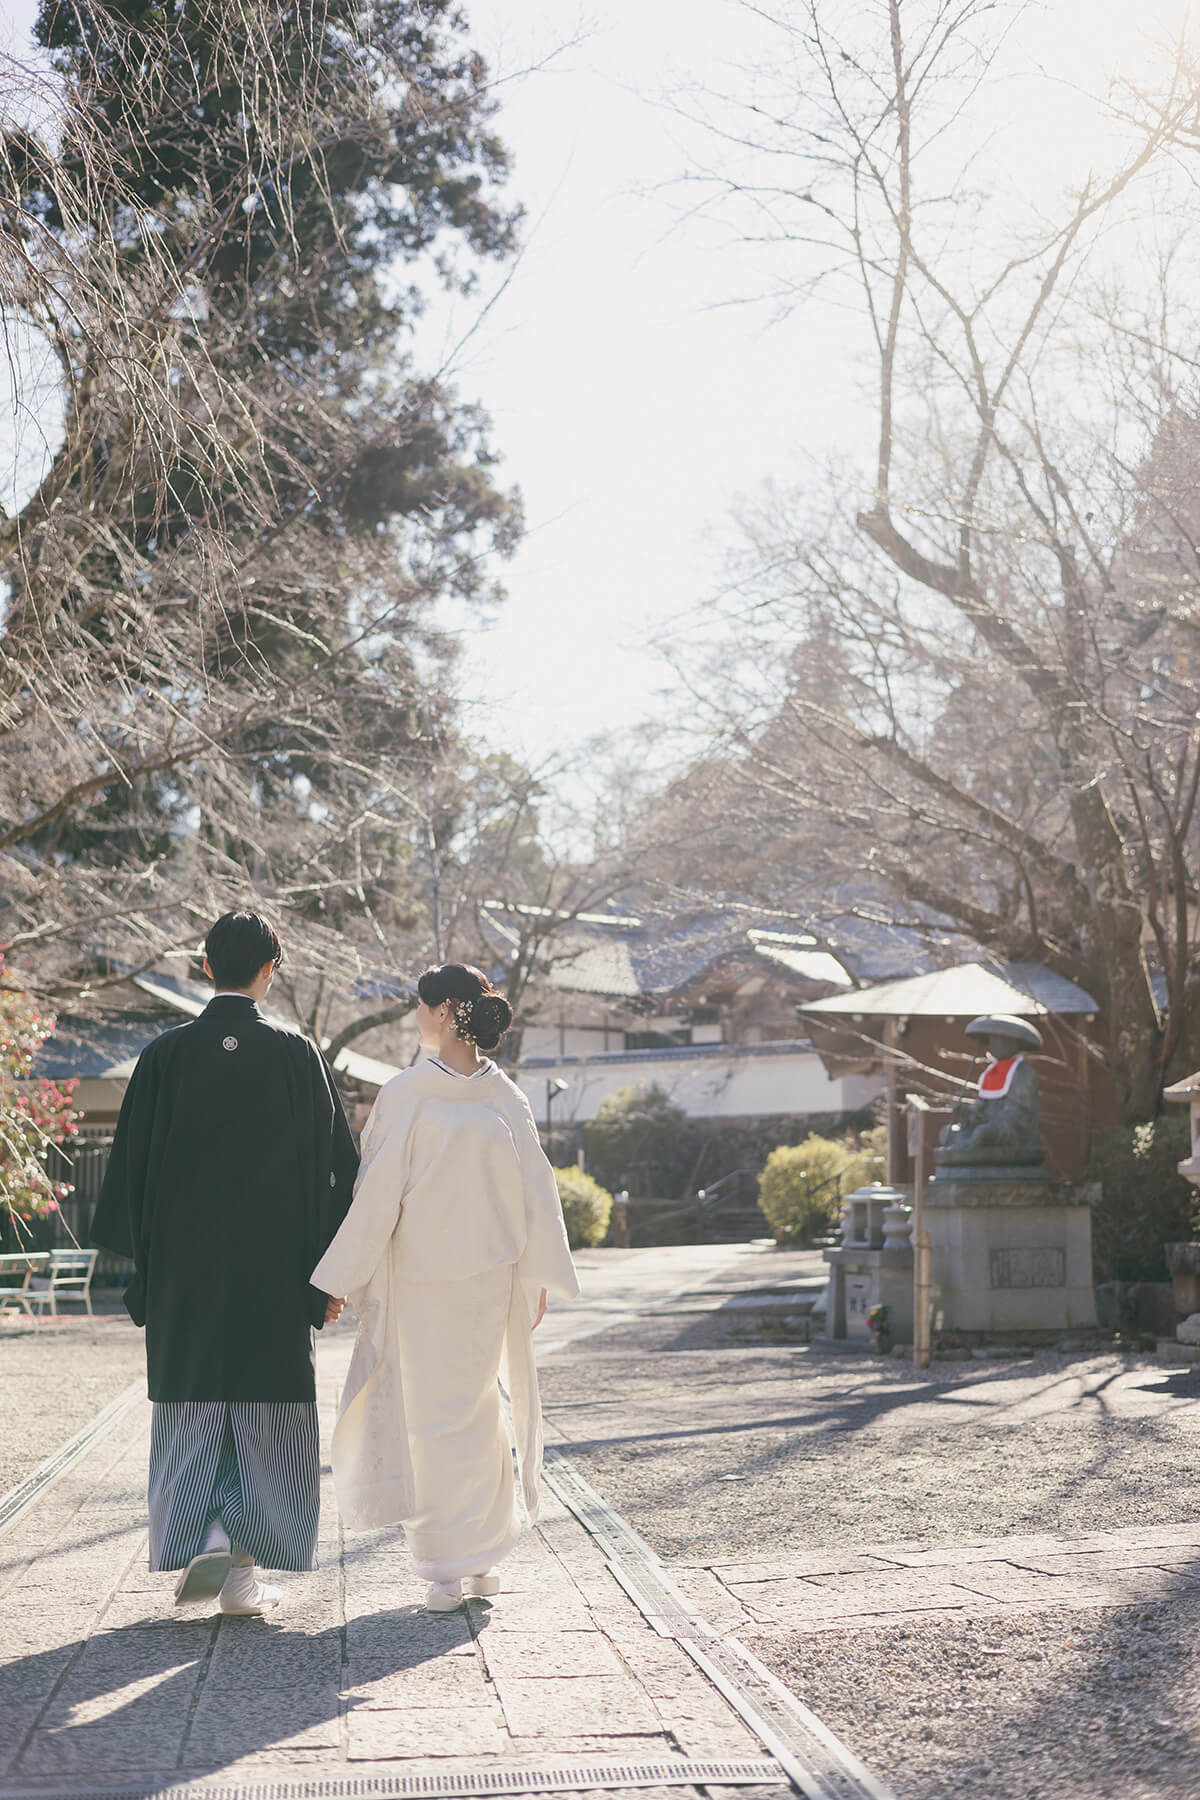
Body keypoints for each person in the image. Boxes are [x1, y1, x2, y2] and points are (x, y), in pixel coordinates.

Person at [90, 910, 359, 1615]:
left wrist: (143, 1270)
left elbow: (129, 1177)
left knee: (193, 1409)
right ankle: (237, 1568)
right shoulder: (298, 1054)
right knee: (268, 1417)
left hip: (185, 1278)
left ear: (206, 967)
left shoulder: (164, 1056)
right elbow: (337, 1171)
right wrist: (328, 1276)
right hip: (274, 1276)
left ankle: (211, 1543)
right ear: (271, 970)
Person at [312, 962, 580, 1611]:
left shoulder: (469, 1095)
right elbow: (379, 1199)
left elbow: (533, 1190)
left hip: (475, 1284)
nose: (415, 1018)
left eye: (421, 1007)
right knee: (445, 1414)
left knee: (469, 1411)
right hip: (435, 1283)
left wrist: (536, 1276)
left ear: (446, 1010)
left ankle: (471, 1554)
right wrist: (340, 1277)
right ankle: (454, 1558)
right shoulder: (451, 1094)